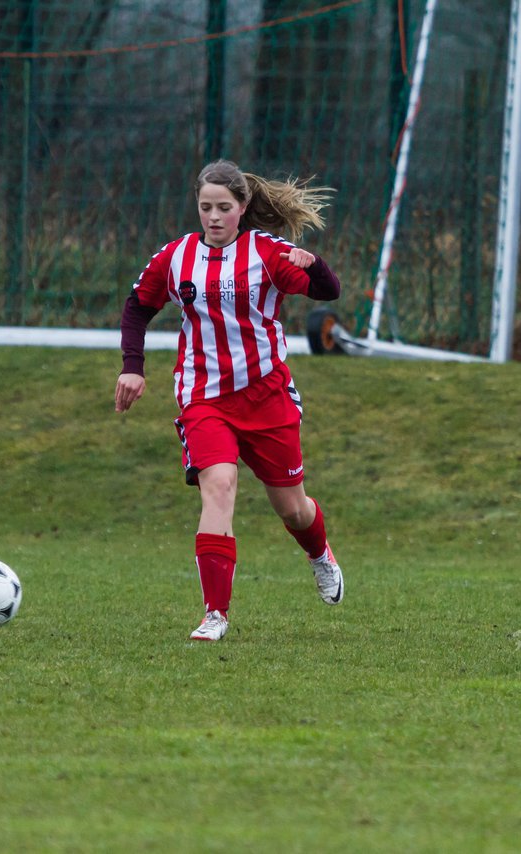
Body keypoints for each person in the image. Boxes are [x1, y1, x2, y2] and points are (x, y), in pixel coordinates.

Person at [115, 159, 345, 641]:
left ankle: (320, 556)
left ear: (243, 208)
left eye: (223, 207)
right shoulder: (176, 257)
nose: (214, 217)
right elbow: (137, 306)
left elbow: (330, 290)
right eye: (205, 207)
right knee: (218, 486)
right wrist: (132, 367)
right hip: (203, 397)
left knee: (293, 509)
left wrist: (314, 264)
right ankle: (214, 614)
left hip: (266, 396)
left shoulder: (268, 252)